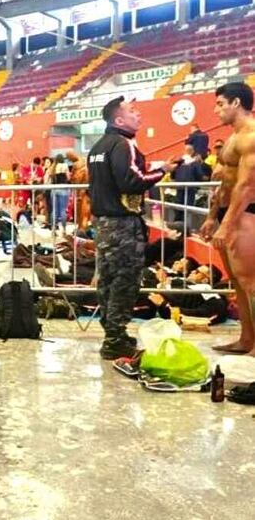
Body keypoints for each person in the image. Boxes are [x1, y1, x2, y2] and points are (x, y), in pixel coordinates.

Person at [87, 96, 173, 359]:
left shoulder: (97, 147)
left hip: (103, 224)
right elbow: (132, 182)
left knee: (107, 281)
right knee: (124, 282)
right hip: (122, 224)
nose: (139, 114)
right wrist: (162, 171)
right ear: (119, 120)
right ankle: (115, 339)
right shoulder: (123, 144)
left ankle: (113, 334)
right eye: (132, 111)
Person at [199, 82, 255, 354]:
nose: (216, 110)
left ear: (236, 103)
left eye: (220, 104)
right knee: (238, 283)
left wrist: (228, 224)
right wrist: (212, 217)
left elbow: (246, 186)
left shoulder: (251, 136)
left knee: (252, 283)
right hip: (228, 214)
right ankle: (247, 339)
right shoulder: (233, 137)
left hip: (246, 214)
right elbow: (223, 183)